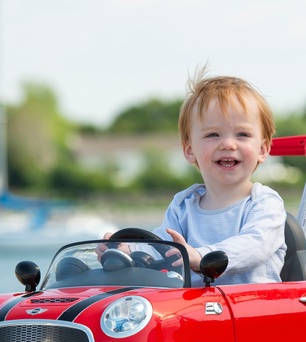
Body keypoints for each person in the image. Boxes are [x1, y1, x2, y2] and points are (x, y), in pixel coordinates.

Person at [100, 72, 287, 286]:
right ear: (190, 151)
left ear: (262, 149)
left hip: (253, 310)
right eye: (212, 135)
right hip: (195, 311)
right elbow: (162, 245)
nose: (228, 144)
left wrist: (200, 257)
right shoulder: (183, 206)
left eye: (242, 135)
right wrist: (128, 250)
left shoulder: (265, 204)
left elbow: (255, 246)